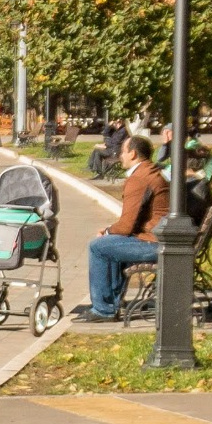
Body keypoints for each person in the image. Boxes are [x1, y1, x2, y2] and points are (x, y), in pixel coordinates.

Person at [80, 134, 171, 321]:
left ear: (133, 154)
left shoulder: (139, 178)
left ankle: (103, 309)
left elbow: (126, 225)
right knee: (110, 244)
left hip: (156, 243)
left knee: (98, 247)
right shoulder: (150, 171)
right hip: (162, 238)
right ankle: (111, 304)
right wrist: (110, 233)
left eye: (123, 151)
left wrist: (106, 232)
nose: (120, 155)